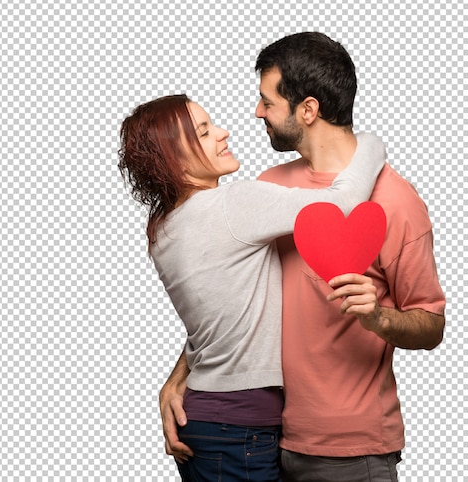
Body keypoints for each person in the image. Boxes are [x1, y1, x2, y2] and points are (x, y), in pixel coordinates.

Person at [159, 33, 446, 482]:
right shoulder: (269, 186)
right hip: (266, 437)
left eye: (266, 101)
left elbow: (431, 323)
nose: (256, 112)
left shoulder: (397, 201)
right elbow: (233, 302)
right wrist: (183, 373)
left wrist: (380, 319)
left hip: (348, 452)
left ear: (307, 110)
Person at [118, 93, 386, 481]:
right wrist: (372, 143)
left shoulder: (163, 230)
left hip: (208, 421)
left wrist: (176, 380)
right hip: (237, 428)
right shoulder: (233, 204)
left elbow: (216, 321)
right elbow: (340, 205)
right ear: (174, 155)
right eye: (205, 131)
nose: (223, 133)